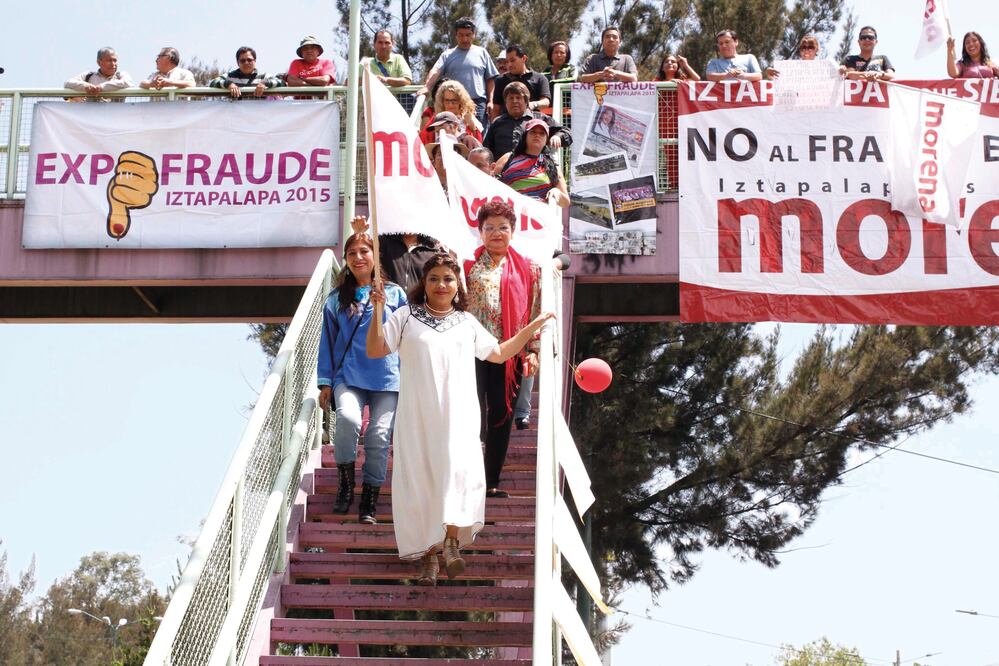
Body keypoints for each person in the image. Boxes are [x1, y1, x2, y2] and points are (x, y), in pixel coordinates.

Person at [367, 251, 553, 585]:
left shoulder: (467, 322)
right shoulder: (406, 316)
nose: (441, 284)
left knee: (455, 476)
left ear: (458, 285)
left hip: (458, 417)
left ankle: (452, 543)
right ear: (424, 283)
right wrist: (377, 310)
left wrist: (532, 329)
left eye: (448, 278)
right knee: (422, 483)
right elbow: (377, 349)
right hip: (417, 418)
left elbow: (498, 353)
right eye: (434, 278)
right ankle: (428, 557)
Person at [317, 227, 407, 524]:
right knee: (348, 420)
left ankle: (369, 496)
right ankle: (345, 483)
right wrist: (326, 382)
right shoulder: (335, 298)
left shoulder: (394, 293)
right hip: (348, 375)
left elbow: (407, 336)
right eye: (352, 253)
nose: (358, 257)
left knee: (379, 436)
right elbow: (328, 341)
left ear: (375, 256)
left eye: (364, 251)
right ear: (345, 259)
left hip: (387, 376)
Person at [464, 201, 542, 499]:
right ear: (480, 232)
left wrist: (533, 349)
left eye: (503, 228)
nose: (496, 233)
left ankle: (490, 479)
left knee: (501, 413)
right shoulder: (465, 265)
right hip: (470, 350)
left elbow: (534, 310)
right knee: (471, 414)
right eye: (489, 228)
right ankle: (465, 479)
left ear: (513, 231)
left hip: (508, 351)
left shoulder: (529, 269)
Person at [419, 17, 499, 126]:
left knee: (478, 136)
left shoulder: (482, 53)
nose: (465, 39)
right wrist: (427, 87)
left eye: (468, 35)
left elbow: (490, 79)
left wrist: (490, 101)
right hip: (455, 103)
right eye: (461, 35)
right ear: (456, 35)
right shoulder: (447, 55)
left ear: (474, 34)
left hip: (478, 103)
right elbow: (436, 70)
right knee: (456, 135)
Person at [482, 82, 570, 161]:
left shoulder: (539, 119)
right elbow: (486, 151)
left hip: (534, 173)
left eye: (518, 97)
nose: (514, 101)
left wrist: (557, 137)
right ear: (506, 102)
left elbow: (566, 132)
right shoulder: (498, 123)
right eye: (511, 98)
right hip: (503, 174)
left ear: (526, 101)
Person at [494, 118, 569, 208]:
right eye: (533, 132)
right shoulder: (508, 158)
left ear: (546, 140)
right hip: (510, 214)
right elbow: (490, 182)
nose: (537, 135)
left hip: (537, 218)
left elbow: (566, 202)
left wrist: (557, 193)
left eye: (542, 133)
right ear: (525, 137)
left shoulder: (553, 167)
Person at [491, 44, 551, 118]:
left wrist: (533, 104)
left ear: (524, 58)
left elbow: (546, 102)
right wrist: (494, 127)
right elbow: (496, 108)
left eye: (512, 60)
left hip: (532, 124)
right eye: (507, 61)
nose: (509, 64)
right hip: (507, 125)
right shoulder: (500, 80)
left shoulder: (540, 78)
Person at [420, 82, 484, 147]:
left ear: (461, 101)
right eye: (447, 100)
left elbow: (478, 149)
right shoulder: (435, 120)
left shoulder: (469, 120)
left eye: (454, 101)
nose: (450, 104)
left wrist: (473, 128)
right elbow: (424, 141)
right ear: (442, 101)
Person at [209, 47, 283, 99]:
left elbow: (282, 83)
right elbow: (212, 82)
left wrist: (265, 83)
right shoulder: (230, 76)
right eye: (242, 60)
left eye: (249, 60)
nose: (246, 62)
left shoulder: (264, 76)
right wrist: (228, 84)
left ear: (255, 61)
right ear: (238, 63)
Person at [64, 47, 133, 101]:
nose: (113, 64)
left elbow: (129, 83)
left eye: (115, 60)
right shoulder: (88, 76)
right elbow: (67, 83)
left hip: (115, 117)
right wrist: (86, 86)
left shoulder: (120, 75)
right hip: (91, 117)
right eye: (109, 60)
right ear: (99, 62)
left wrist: (101, 87)